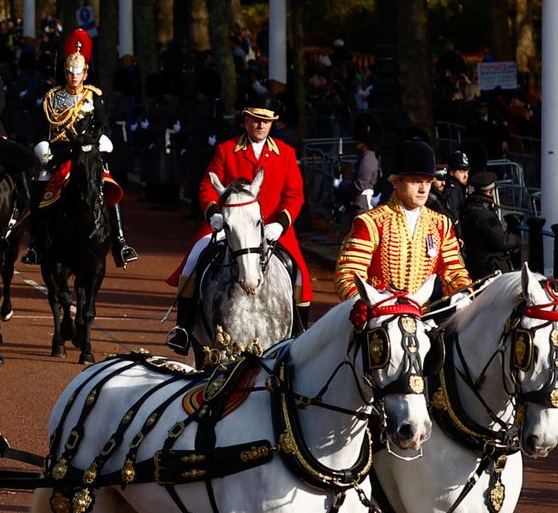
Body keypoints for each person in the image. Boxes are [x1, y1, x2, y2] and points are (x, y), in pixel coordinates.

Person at [165, 103, 313, 353]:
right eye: (255, 120)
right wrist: (214, 214)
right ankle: (183, 329)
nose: (260, 125)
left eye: (266, 121)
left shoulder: (285, 153)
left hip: (271, 227)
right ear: (245, 121)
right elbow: (207, 187)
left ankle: (300, 334)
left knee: (301, 274)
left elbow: (295, 194)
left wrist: (281, 223)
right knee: (192, 263)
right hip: (229, 222)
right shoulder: (226, 149)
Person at [26, 28, 136, 268]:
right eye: (70, 71)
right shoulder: (52, 98)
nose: (74, 76)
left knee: (109, 188)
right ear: (65, 72)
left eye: (78, 72)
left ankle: (120, 242)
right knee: (39, 186)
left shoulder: (94, 97)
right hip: (59, 155)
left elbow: (103, 126)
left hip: (88, 154)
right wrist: (43, 147)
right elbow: (41, 129)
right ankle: (35, 243)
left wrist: (103, 142)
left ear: (85, 73)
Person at [333, 139, 472, 300]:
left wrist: (461, 293)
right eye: (415, 181)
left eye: (428, 182)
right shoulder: (370, 223)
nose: (423, 189)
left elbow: (454, 271)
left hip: (423, 318)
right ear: (396, 181)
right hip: (378, 319)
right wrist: (365, 305)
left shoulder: (441, 224)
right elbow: (348, 275)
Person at [458, 171, 521, 281]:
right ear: (491, 191)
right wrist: (515, 239)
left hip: (475, 264)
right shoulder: (484, 214)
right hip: (489, 268)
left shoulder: (467, 207)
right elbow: (501, 241)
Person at [429, 149, 471, 223]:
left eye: (467, 172)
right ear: (451, 172)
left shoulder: (460, 188)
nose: (465, 176)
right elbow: (454, 216)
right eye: (461, 171)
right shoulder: (454, 190)